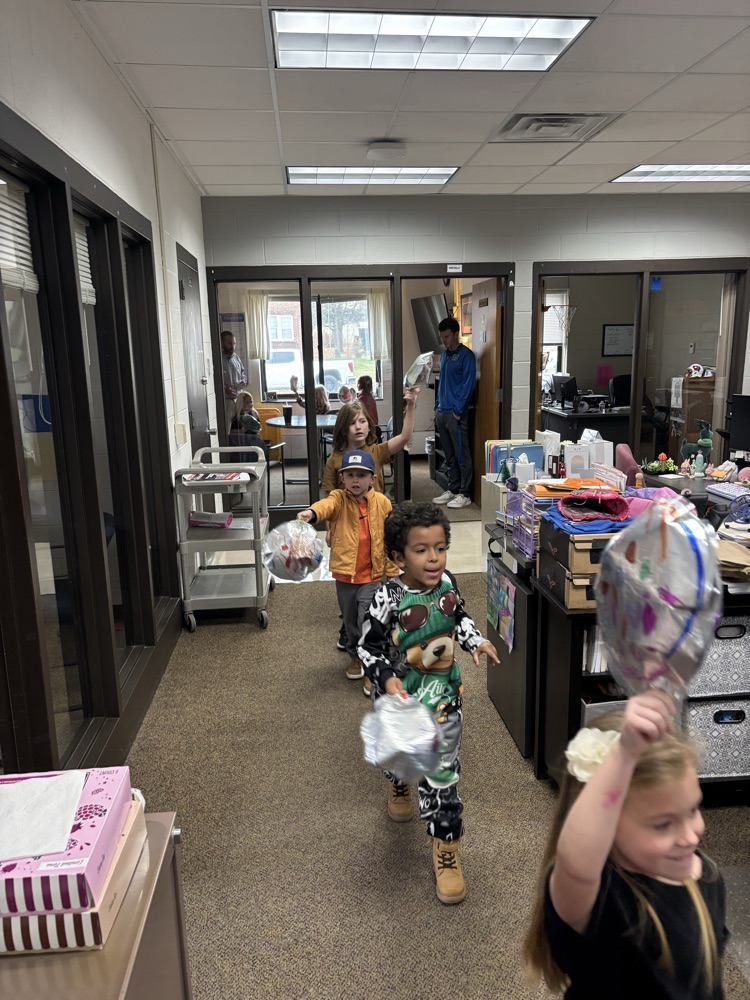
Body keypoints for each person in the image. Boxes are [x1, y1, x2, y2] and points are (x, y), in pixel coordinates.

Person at [523, 690, 727, 999]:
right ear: (606, 827)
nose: (691, 834)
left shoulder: (707, 875)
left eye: (693, 809)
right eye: (663, 824)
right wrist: (623, 756)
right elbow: (577, 861)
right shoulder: (603, 900)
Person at [358, 501, 499, 905]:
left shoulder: (449, 582)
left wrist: (476, 640)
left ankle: (446, 847)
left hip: (444, 705)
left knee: (443, 776)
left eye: (440, 547)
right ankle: (399, 783)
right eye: (421, 550)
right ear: (399, 556)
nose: (434, 557)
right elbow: (367, 648)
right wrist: (385, 678)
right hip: (399, 707)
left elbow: (461, 618)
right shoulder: (386, 597)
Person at [297, 450, 399, 696]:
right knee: (351, 621)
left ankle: (370, 663)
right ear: (342, 478)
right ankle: (354, 654)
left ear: (372, 479)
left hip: (372, 575)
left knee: (368, 619)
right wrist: (311, 513)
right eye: (350, 475)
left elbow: (391, 539)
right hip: (345, 576)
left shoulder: (383, 503)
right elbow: (326, 505)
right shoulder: (339, 499)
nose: (356, 480)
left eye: (361, 475)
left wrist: (393, 571)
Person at [432, 316, 476, 510]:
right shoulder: (444, 355)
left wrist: (458, 410)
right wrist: (437, 406)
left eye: (447, 336)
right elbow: (441, 382)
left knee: (461, 454)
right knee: (449, 454)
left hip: (456, 414)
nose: (444, 340)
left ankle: (464, 493)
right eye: (442, 337)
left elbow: (469, 384)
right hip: (442, 411)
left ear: (456, 334)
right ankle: (453, 487)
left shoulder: (466, 355)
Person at [228, 390, 266, 461]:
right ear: (240, 403)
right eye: (247, 402)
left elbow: (258, 430)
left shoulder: (254, 414)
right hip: (242, 446)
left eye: (251, 402)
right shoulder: (237, 418)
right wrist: (241, 431)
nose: (250, 404)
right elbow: (231, 433)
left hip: (254, 443)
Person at [221, 331, 247, 432]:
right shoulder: (218, 359)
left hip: (238, 400)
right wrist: (224, 389)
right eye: (229, 343)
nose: (232, 346)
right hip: (226, 401)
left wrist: (243, 381)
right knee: (226, 431)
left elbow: (243, 373)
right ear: (222, 343)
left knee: (239, 431)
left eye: (234, 343)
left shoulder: (236, 358)